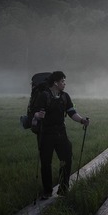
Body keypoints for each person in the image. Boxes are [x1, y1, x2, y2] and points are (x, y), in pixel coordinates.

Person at [31, 71, 90, 199]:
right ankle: (47, 191)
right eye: (63, 81)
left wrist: (82, 120)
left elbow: (71, 112)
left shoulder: (65, 96)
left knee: (66, 158)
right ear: (56, 83)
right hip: (46, 134)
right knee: (46, 163)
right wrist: (37, 115)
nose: (65, 83)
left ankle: (63, 189)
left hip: (60, 133)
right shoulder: (44, 96)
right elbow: (35, 112)